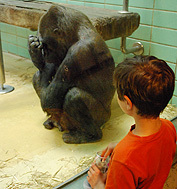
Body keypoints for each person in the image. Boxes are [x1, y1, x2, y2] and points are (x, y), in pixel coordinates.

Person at [87, 55, 177, 188]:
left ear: (128, 103)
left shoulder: (124, 159)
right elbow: (149, 152)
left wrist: (98, 184)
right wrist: (120, 146)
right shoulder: (169, 127)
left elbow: (133, 157)